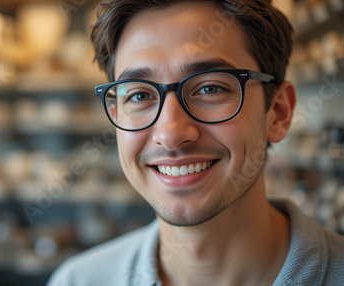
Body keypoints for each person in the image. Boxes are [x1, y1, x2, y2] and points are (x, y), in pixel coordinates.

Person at [47, 0, 344, 285]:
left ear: (278, 113)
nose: (171, 133)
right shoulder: (76, 281)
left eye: (210, 88)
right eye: (139, 96)